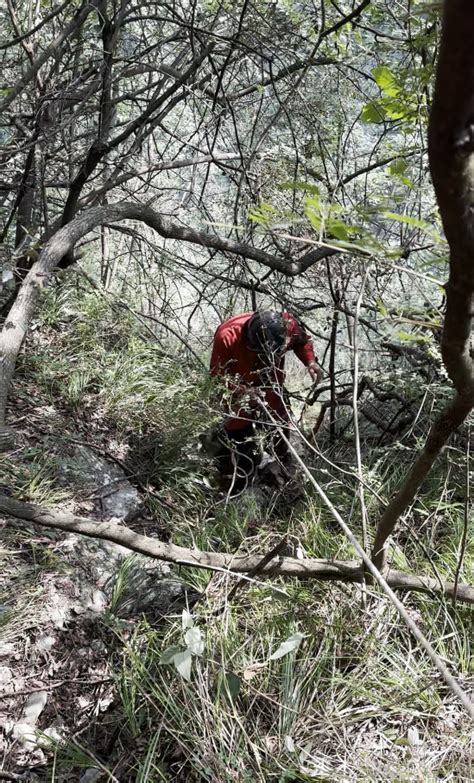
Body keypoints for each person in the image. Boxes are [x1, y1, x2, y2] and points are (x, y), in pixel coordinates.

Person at [209, 310, 322, 492]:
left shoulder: (287, 326)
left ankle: (281, 468)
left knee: (279, 422)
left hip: (271, 384)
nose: (265, 359)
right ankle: (243, 474)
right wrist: (242, 390)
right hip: (240, 386)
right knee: (237, 426)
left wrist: (310, 361)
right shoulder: (227, 337)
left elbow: (302, 341)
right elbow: (217, 375)